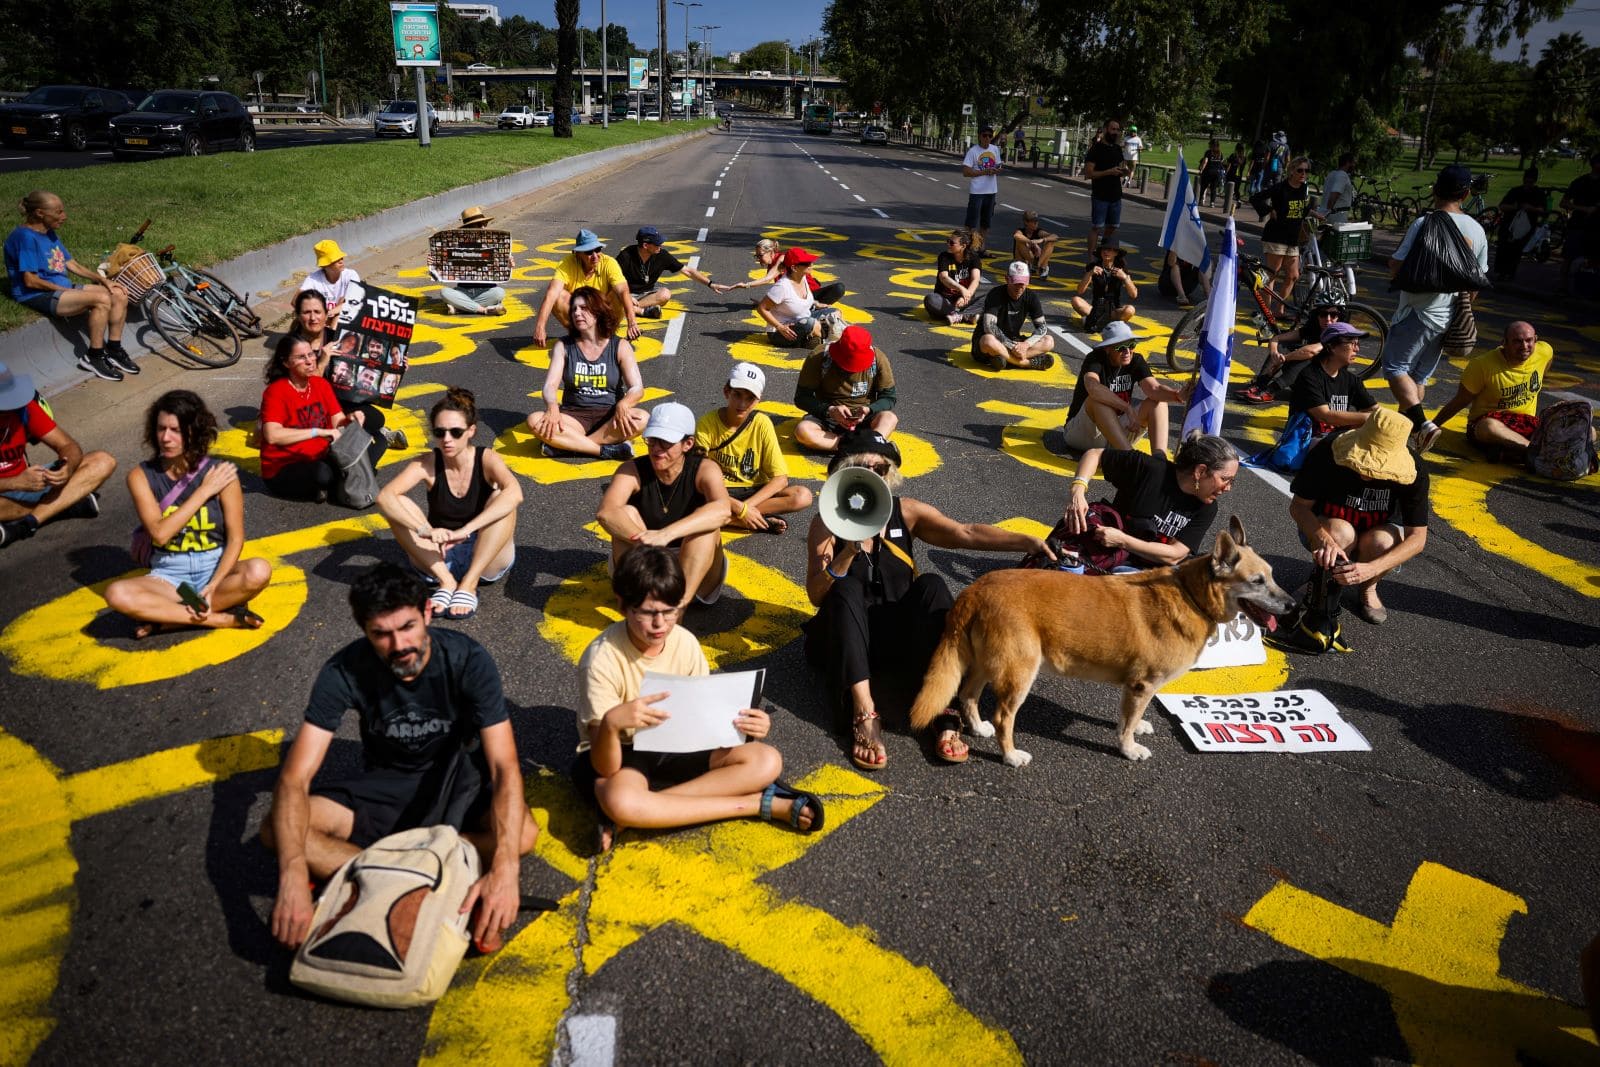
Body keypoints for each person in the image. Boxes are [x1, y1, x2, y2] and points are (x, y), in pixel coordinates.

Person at [262, 563, 537, 953]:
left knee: (522, 835)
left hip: (457, 781)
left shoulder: (468, 659)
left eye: (407, 627)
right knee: (276, 829)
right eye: (382, 634)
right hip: (387, 784)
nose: (399, 645)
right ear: (364, 630)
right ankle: (430, 873)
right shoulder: (344, 670)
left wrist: (507, 869)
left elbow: (504, 766)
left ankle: (371, 874)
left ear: (427, 612)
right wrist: (290, 875)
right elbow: (294, 779)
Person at [803, 429, 1052, 769]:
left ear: (889, 474)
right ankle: (863, 710)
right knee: (843, 587)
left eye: (879, 469)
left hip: (897, 635)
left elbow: (965, 533)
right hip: (847, 635)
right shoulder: (827, 522)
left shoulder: (906, 512)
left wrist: (1025, 542)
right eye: (861, 469)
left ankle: (942, 710)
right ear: (845, 473)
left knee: (932, 583)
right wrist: (846, 553)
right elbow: (817, 596)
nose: (871, 476)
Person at [573, 545, 821, 850]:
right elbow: (604, 768)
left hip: (676, 739)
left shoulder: (685, 642)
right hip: (623, 749)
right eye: (648, 613)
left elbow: (703, 717)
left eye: (670, 611)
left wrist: (746, 725)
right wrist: (611, 723)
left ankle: (641, 812)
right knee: (621, 799)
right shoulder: (601, 659)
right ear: (622, 606)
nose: (660, 624)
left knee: (766, 760)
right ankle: (757, 805)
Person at [103, 390, 272, 636]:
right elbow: (160, 535)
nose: (166, 438)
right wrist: (203, 493)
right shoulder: (140, 476)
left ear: (194, 432)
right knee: (116, 594)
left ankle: (167, 620)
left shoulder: (221, 474)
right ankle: (220, 619)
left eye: (176, 430)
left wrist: (214, 585)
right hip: (169, 575)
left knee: (259, 571)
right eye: (161, 429)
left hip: (215, 567)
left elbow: (236, 538)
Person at [1279, 406, 1429, 636]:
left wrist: (1372, 569)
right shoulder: (1329, 449)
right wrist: (1323, 539)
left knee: (1382, 541)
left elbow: (1417, 538)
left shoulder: (1415, 469)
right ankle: (1321, 582)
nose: (1366, 473)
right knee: (1341, 531)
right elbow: (1299, 507)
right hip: (1331, 528)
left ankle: (1368, 588)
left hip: (1376, 537)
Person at [377, 387, 521, 621]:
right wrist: (425, 530)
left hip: (485, 556)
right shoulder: (427, 463)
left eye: (455, 432)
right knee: (397, 503)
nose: (447, 439)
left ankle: (469, 584)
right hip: (438, 555)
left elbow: (515, 494)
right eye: (439, 432)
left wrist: (467, 530)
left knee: (502, 500)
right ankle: (447, 581)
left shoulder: (487, 458)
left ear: (471, 431)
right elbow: (385, 497)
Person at [1387, 165, 1489, 453]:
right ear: (1467, 194)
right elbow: (1476, 282)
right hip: (1448, 317)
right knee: (1417, 376)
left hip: (1417, 310)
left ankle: (1422, 425)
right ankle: (1408, 438)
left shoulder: (1425, 223)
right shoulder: (1477, 230)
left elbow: (1396, 263)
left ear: (1435, 189)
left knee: (1395, 367)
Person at [597, 402, 730, 610]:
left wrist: (666, 535)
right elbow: (606, 513)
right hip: (647, 559)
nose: (657, 448)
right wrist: (648, 546)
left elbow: (723, 510)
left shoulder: (705, 468)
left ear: (687, 444)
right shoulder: (631, 469)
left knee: (706, 527)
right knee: (625, 512)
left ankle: (677, 608)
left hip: (696, 569)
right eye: (652, 440)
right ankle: (638, 599)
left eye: (666, 442)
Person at [5, 191, 134, 381]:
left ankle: (114, 349)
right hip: (36, 294)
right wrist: (66, 291)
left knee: (118, 293)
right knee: (102, 299)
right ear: (40, 213)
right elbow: (30, 281)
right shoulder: (25, 238)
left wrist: (102, 280)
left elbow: (71, 264)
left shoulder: (48, 233)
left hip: (60, 287)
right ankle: (94, 356)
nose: (64, 216)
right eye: (58, 212)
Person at [1061, 433, 1239, 569]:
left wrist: (1123, 540)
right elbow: (1095, 454)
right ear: (1200, 471)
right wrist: (1078, 490)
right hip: (1105, 557)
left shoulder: (1207, 508)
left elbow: (1175, 555)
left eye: (1232, 481)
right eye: (1225, 479)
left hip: (1151, 576)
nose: (1228, 488)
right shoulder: (1151, 470)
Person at [257, 333, 388, 502]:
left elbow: (338, 422)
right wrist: (317, 432)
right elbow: (273, 435)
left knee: (379, 441)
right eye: (301, 357)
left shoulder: (320, 384)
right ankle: (344, 481)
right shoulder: (275, 392)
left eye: (311, 354)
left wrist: (351, 419)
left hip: (321, 454)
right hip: (285, 466)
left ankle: (341, 481)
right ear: (286, 362)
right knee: (323, 474)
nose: (310, 361)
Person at [0, 361, 115, 549]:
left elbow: (68, 445)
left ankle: (27, 523)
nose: (10, 409)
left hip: (32, 484)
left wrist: (67, 468)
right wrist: (14, 482)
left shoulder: (23, 408)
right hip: (8, 490)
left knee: (103, 461)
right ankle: (62, 505)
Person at [526, 285, 646, 461]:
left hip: (610, 418)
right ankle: (603, 450)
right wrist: (552, 406)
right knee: (534, 420)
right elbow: (550, 386)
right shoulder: (564, 346)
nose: (576, 313)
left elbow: (637, 388)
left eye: (583, 308)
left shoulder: (620, 346)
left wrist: (624, 404)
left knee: (643, 418)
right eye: (574, 309)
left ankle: (568, 446)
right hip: (573, 417)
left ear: (598, 311)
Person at [695, 362, 814, 534]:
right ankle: (752, 520)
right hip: (718, 492)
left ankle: (733, 520)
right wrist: (741, 509)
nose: (742, 404)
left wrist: (745, 508)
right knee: (686, 497)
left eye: (750, 398)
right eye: (737, 395)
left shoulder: (761, 423)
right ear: (726, 392)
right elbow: (697, 476)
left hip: (753, 492)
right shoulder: (707, 424)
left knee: (802, 496)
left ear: (758, 400)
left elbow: (780, 479)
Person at [1422, 321, 1557, 463]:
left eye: (1529, 341)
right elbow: (1459, 402)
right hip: (1487, 425)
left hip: (1526, 423)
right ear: (1504, 343)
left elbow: (1546, 364)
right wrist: (1431, 427)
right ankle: (1534, 451)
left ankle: (1515, 454)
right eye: (1517, 342)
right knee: (1489, 427)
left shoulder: (1544, 351)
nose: (1524, 346)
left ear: (1536, 339)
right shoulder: (1481, 365)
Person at [290, 290, 407, 452]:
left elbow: (367, 375)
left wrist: (396, 367)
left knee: (375, 419)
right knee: (368, 441)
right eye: (306, 312)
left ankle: (370, 437)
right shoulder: (292, 345)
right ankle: (365, 440)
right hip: (310, 408)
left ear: (326, 314)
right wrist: (322, 362)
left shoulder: (338, 337)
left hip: (341, 402)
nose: (313, 317)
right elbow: (299, 390)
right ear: (298, 315)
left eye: (317, 312)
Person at [1061, 321, 1190, 455]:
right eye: (1121, 347)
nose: (1127, 351)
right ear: (1107, 348)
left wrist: (1177, 395)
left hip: (1116, 434)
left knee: (1158, 403)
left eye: (1131, 345)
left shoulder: (1136, 360)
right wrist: (1127, 407)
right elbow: (1093, 387)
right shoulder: (1095, 359)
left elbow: (1154, 389)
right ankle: (1130, 458)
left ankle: (1159, 460)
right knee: (1096, 401)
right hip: (1083, 433)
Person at [794, 324, 898, 452]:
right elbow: (801, 398)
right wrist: (830, 410)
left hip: (864, 418)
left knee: (889, 418)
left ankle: (852, 446)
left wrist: (869, 410)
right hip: (827, 417)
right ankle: (867, 445)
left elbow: (889, 397)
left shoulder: (878, 358)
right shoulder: (819, 356)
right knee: (803, 431)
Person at [532, 229, 639, 348]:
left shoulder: (609, 263)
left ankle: (607, 334)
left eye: (597, 250)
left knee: (620, 294)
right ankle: (579, 335)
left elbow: (623, 290)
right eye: (589, 252)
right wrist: (540, 327)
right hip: (579, 315)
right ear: (577, 253)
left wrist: (632, 323)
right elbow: (551, 293)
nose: (595, 256)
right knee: (558, 295)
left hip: (603, 314)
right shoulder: (567, 264)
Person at [1241, 300, 1347, 403]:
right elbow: (1276, 339)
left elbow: (1311, 352)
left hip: (1325, 390)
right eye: (1323, 314)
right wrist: (1274, 353)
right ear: (1317, 316)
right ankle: (1260, 384)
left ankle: (1271, 390)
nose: (1328, 319)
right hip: (1307, 383)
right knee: (1283, 346)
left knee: (1311, 358)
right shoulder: (1313, 329)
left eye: (1333, 315)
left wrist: (1284, 358)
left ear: (1339, 317)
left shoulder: (1339, 335)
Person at [1287, 322, 1378, 441]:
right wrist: (1370, 418)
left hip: (1334, 440)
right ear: (1332, 347)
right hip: (1306, 443)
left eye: (1358, 343)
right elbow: (1325, 416)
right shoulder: (1309, 376)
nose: (1357, 349)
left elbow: (1373, 409)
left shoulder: (1351, 379)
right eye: (1352, 343)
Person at [615, 225, 716, 320]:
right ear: (645, 245)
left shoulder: (661, 255)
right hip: (625, 293)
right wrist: (627, 296)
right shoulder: (626, 255)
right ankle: (641, 311)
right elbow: (612, 279)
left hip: (646, 294)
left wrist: (710, 284)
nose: (660, 245)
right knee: (607, 297)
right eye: (657, 243)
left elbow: (687, 271)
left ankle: (627, 309)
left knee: (665, 294)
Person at [972, 261, 1056, 371]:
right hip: (991, 343)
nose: (1019, 287)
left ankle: (1006, 359)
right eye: (1016, 283)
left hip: (1014, 342)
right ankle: (1025, 363)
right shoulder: (995, 294)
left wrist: (1025, 344)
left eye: (1023, 283)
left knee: (1049, 341)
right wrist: (1013, 347)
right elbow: (989, 327)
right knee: (988, 340)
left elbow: (1042, 327)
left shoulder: (1031, 296)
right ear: (1007, 279)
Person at [1251, 155, 1312, 302]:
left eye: (1306, 171)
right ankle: (1266, 311)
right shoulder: (1280, 188)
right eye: (1300, 170)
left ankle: (1280, 308)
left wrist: (1316, 215)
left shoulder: (1304, 189)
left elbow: (1302, 210)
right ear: (1291, 171)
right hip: (1276, 236)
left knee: (1293, 276)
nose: (1303, 174)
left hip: (1292, 238)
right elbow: (1255, 198)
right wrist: (1269, 209)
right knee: (1272, 274)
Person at [712, 238, 846, 304]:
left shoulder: (782, 259)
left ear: (771, 252)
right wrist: (765, 303)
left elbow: (768, 279)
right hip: (795, 297)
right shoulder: (772, 264)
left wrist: (745, 285)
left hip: (810, 293)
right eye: (757, 256)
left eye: (760, 255)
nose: (758, 259)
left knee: (839, 288)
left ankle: (811, 307)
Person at [431, 206, 508, 316]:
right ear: (469, 228)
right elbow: (441, 272)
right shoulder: (457, 246)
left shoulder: (493, 243)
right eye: (478, 225)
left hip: (486, 291)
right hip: (463, 291)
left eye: (484, 224)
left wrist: (508, 265)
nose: (482, 228)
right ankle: (484, 310)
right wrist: (433, 264)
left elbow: (501, 273)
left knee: (499, 293)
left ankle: (460, 307)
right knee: (444, 292)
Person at [757, 247, 839, 347]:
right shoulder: (782, 287)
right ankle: (825, 344)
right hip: (781, 333)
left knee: (835, 313)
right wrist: (779, 326)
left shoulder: (802, 278)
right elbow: (762, 308)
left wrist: (816, 304)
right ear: (794, 268)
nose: (811, 265)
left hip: (802, 320)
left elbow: (799, 300)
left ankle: (812, 339)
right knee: (811, 323)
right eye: (806, 263)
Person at [1083, 119, 1131, 257]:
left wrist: (1125, 171)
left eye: (1117, 130)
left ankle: (1104, 255)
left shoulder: (1116, 148)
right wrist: (1108, 172)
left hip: (1116, 195)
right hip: (1100, 195)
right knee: (1097, 227)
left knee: (1112, 228)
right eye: (1112, 129)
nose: (1115, 132)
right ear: (1105, 130)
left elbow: (1121, 167)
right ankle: (1091, 258)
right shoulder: (1096, 149)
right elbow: (1088, 173)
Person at [1492, 169, 1546, 283]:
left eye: (1530, 182)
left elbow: (1543, 210)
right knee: (1504, 248)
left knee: (1515, 250)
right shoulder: (1515, 191)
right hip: (1509, 224)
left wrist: (1530, 208)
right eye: (1526, 181)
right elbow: (1502, 206)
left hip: (1526, 226)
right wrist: (1515, 207)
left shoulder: (1538, 193)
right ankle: (1502, 272)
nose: (1528, 184)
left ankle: (1509, 273)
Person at [1070, 241, 1138, 330]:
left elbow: (1134, 295)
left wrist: (1125, 278)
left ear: (1116, 253)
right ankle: (1103, 323)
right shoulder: (1093, 267)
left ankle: (1100, 323)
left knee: (1130, 310)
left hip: (1114, 311)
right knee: (1075, 300)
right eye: (1104, 249)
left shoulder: (1121, 268)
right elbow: (1080, 291)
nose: (1106, 252)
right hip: (1096, 309)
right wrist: (1090, 274)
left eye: (1110, 250)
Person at [924, 228, 985, 324]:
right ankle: (963, 315)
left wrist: (965, 296)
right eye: (948, 241)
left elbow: (975, 279)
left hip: (965, 300)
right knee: (930, 299)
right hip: (946, 300)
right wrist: (962, 289)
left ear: (963, 246)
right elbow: (943, 277)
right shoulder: (944, 256)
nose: (948, 244)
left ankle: (957, 315)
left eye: (952, 243)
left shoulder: (974, 258)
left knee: (988, 298)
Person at [1558, 154, 1599, 294]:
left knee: (1593, 257)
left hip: (1596, 226)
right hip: (1578, 224)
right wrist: (1584, 209)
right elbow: (1563, 202)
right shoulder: (1580, 182)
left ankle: (1588, 287)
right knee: (1569, 256)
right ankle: (1563, 286)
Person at [298, 239, 362, 323]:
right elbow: (296, 301)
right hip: (323, 318)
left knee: (340, 313)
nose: (341, 261)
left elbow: (355, 301)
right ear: (325, 265)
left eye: (341, 257)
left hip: (346, 316)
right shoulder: (313, 279)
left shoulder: (350, 275)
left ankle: (331, 333)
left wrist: (330, 312)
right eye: (335, 259)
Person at [960, 124, 1003, 245]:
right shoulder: (973, 151)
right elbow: (965, 172)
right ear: (980, 136)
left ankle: (980, 248)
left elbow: (999, 165)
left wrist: (998, 170)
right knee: (971, 223)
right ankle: (967, 247)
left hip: (991, 191)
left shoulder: (995, 149)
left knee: (985, 224)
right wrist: (984, 172)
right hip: (977, 192)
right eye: (985, 136)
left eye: (990, 136)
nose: (987, 138)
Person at [1010, 211, 1058, 280]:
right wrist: (1031, 242)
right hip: (1023, 260)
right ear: (1026, 222)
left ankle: (1039, 266)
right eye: (1033, 221)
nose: (1036, 223)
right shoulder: (1020, 231)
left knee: (1050, 241)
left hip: (1035, 260)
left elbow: (1055, 236)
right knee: (1020, 242)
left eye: (1037, 221)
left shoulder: (1038, 231)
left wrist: (1042, 240)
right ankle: (1032, 266)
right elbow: (1017, 235)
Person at [1196, 138, 1227, 207]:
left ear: (1211, 145)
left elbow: (1205, 162)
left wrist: (1201, 170)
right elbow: (1222, 162)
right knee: (1213, 188)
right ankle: (1212, 203)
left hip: (1208, 172)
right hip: (1217, 173)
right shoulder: (1220, 153)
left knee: (1204, 186)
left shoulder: (1208, 152)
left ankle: (1201, 200)